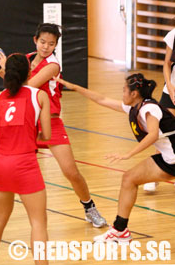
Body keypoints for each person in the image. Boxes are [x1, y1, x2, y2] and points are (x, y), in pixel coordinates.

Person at [0, 23, 106, 230]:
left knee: (71, 171)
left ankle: (89, 208)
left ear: (55, 46)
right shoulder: (25, 59)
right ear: (35, 40)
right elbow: (17, 86)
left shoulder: (53, 65)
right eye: (43, 42)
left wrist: (2, 70)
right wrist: (1, 69)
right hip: (25, 122)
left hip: (50, 121)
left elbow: (27, 87)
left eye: (51, 44)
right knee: (1, 169)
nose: (46, 47)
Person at [54, 73, 175, 242]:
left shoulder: (149, 109)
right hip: (170, 158)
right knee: (129, 179)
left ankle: (120, 230)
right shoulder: (135, 107)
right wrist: (74, 87)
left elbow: (153, 134)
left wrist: (128, 154)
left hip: (172, 158)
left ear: (134, 94)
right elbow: (102, 99)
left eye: (124, 90)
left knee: (129, 178)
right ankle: (120, 230)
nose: (122, 93)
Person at [0, 53, 51, 264]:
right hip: (25, 164)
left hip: (0, 163)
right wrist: (32, 136)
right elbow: (47, 135)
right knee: (38, 222)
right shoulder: (39, 96)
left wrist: (3, 134)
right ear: (29, 73)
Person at [144, 27, 175, 192]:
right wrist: (169, 86)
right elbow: (167, 64)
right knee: (166, 133)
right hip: (172, 90)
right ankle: (154, 176)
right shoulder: (173, 34)